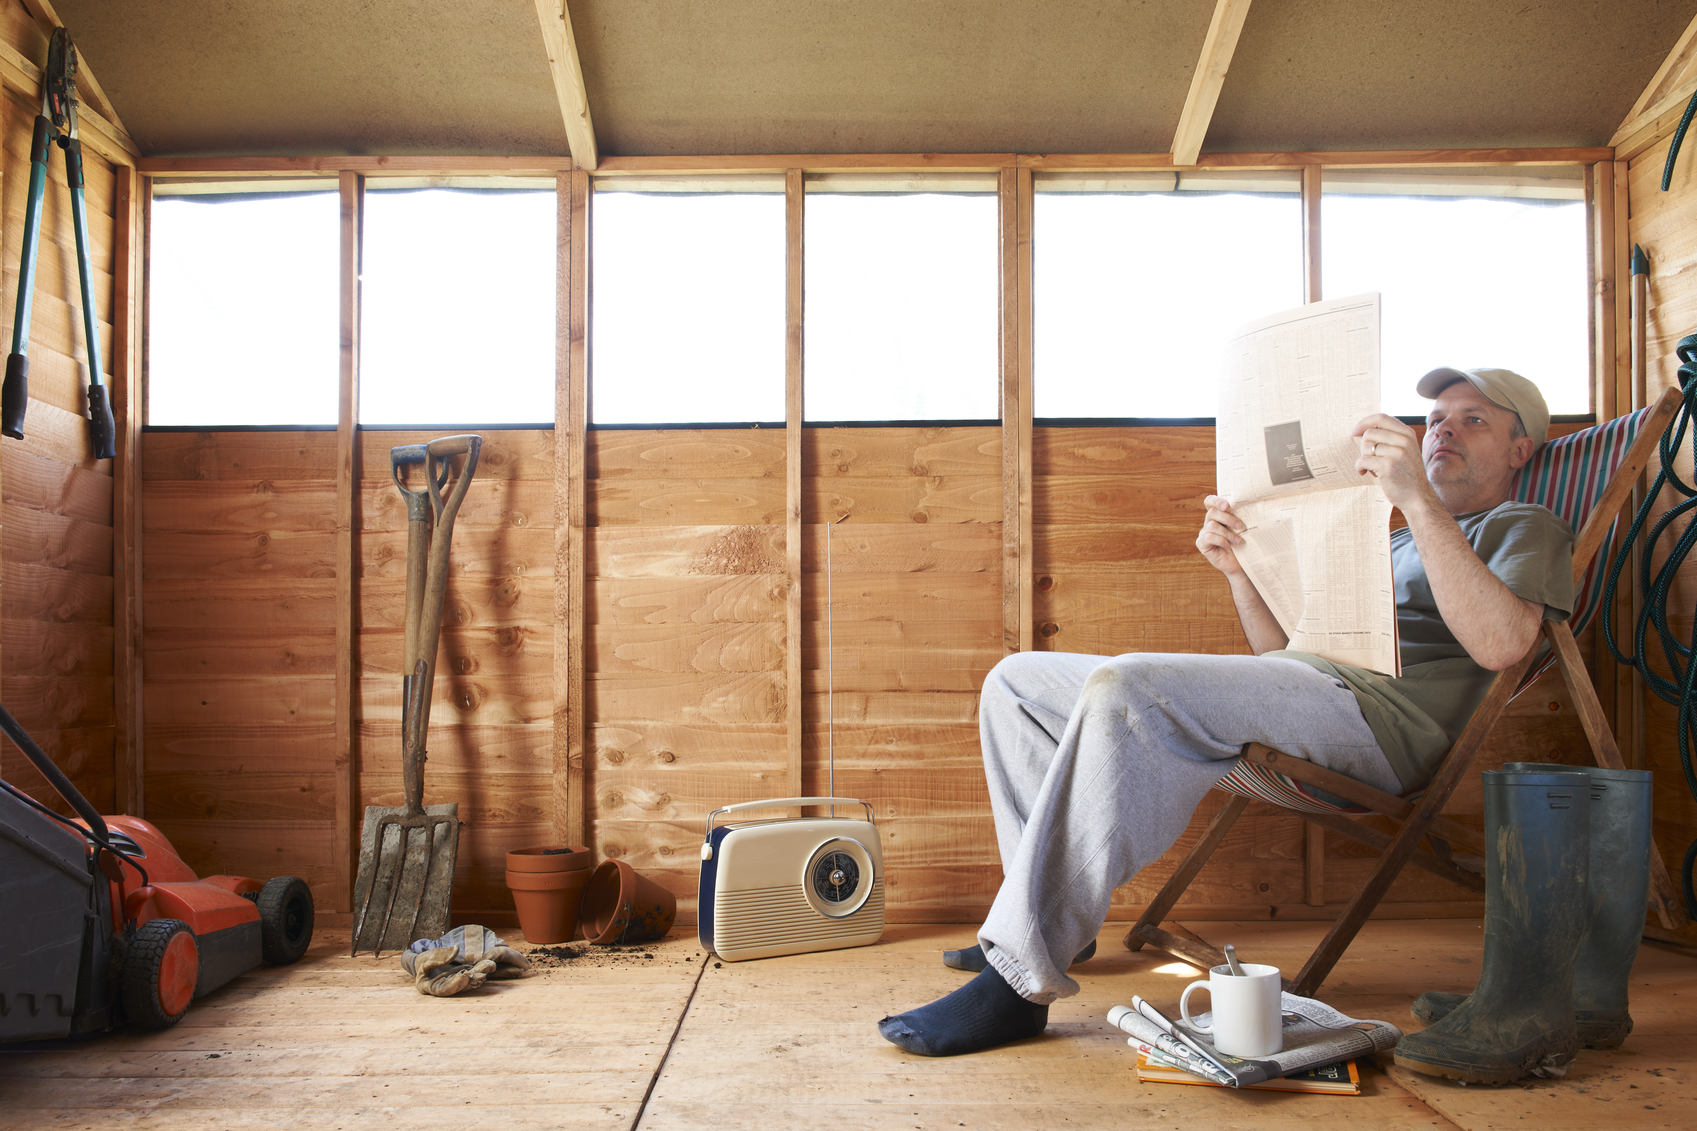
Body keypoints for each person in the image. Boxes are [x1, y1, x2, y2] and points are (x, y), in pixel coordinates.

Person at [876, 367, 1575, 1057]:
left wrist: (1417, 502)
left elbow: (1504, 641)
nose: (1442, 430)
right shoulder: (1390, 539)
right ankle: (1050, 921)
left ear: (1519, 450)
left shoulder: (1523, 525)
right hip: (1312, 692)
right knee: (1016, 682)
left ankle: (1019, 977)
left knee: (1128, 685)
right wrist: (1240, 571)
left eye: (1472, 419)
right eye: (1435, 419)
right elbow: (1282, 652)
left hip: (1376, 728)